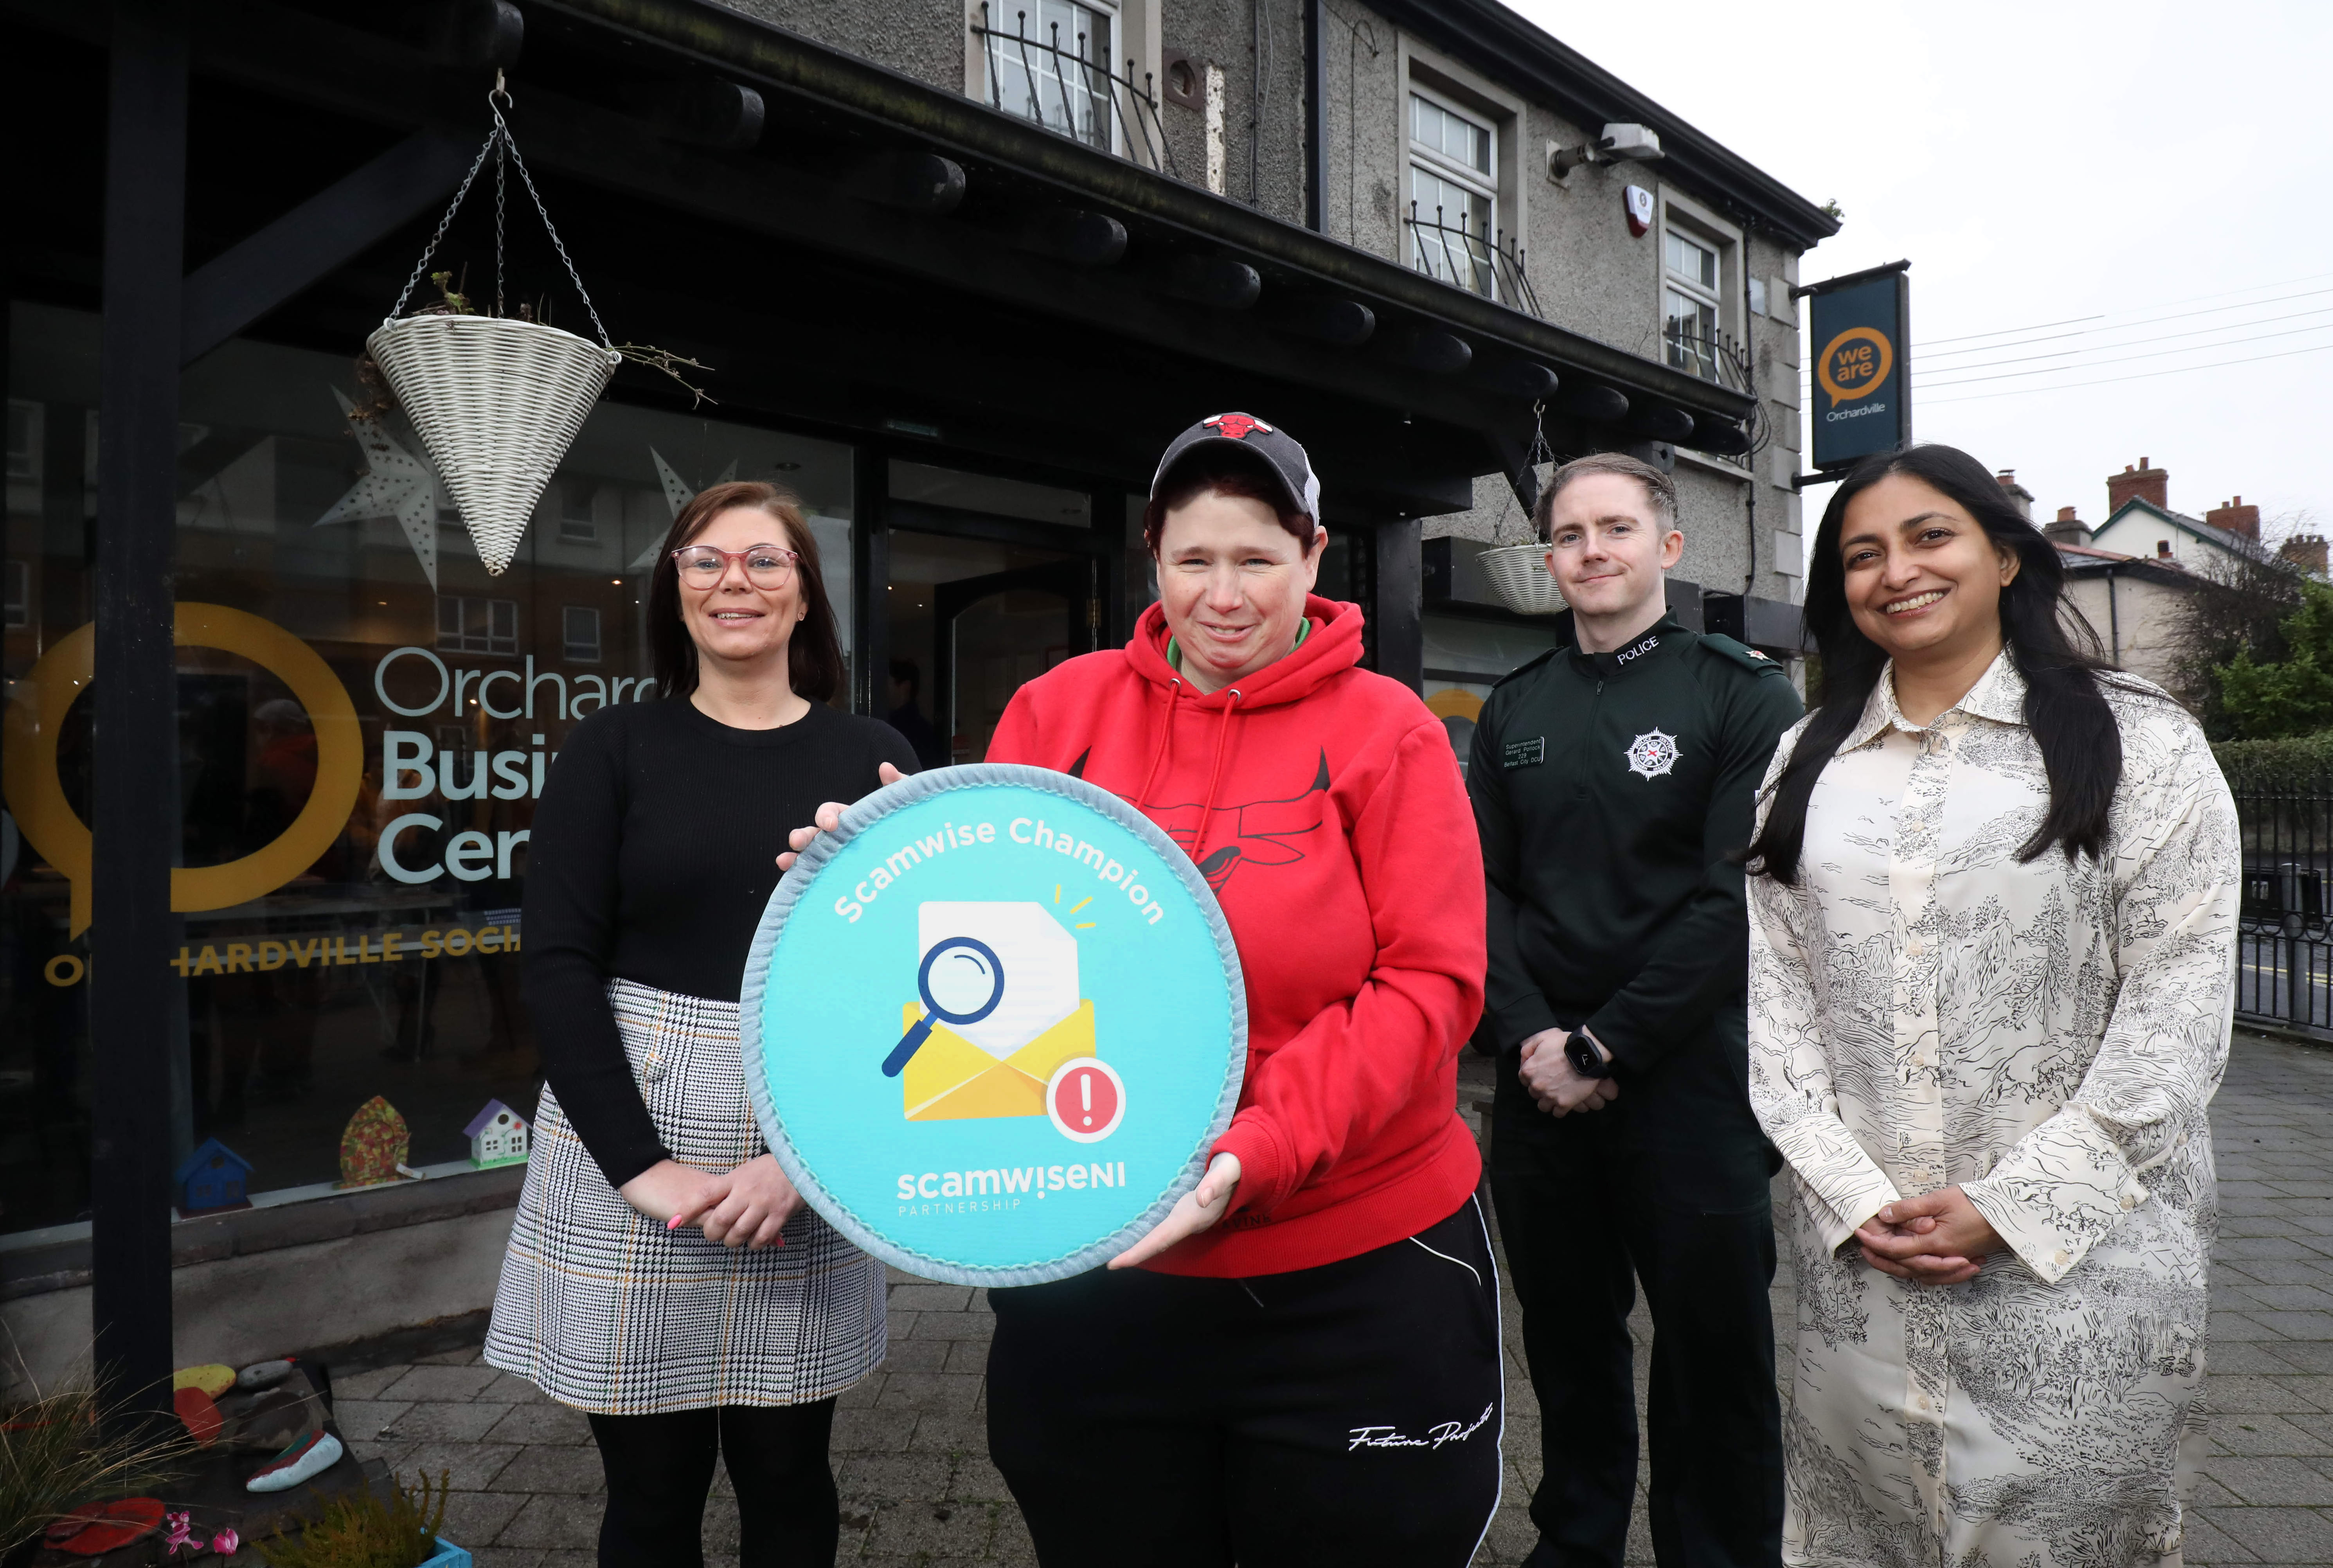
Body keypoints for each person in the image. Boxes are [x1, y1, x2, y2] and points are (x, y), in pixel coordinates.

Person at [782, 414, 1498, 1567]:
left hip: (1352, 1279)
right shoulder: (1058, 712)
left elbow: (1429, 988)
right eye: (1193, 559)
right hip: (1099, 1274)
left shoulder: (1390, 735)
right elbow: (993, 955)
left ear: (1312, 559)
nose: (1224, 594)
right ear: (1152, 560)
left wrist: (1257, 1147)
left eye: (1257, 559)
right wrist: (867, 878)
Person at [1741, 444, 2238, 1568]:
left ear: (2003, 555)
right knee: (1860, 1537)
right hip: (1860, 1270)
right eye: (1861, 554)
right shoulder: (1800, 764)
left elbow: (2176, 1007)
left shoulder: (2139, 742)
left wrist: (2012, 1206)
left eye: (1929, 537)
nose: (1896, 572)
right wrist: (1856, 1197)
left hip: (2081, 1276)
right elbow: (1780, 1009)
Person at [487, 481, 917, 1568]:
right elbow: (560, 967)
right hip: (629, 1133)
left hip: (806, 1123)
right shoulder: (611, 748)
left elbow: (903, 988)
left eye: (766, 561)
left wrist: (801, 1161)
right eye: (704, 560)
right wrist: (644, 1169)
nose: (735, 581)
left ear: (806, 596)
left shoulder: (870, 759)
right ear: (674, 595)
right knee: (650, 1491)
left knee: (788, 1477)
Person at [1467, 452, 1801, 1568]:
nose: (1591, 551)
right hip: (1541, 1092)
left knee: (1715, 1357)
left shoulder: (1743, 693)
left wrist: (1606, 1042)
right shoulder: (1514, 706)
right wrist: (1531, 1040)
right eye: (1569, 535)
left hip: (1694, 1085)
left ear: (1665, 547)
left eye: (1614, 529)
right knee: (1566, 1344)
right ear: (1549, 557)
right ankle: (1576, 1544)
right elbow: (1482, 893)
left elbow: (1736, 897)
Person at [883, 658, 948, 769]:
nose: (883, 690)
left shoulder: (916, 732)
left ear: (905, 687)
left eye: (887, 684)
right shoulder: (927, 730)